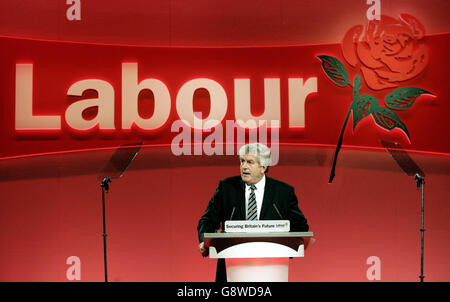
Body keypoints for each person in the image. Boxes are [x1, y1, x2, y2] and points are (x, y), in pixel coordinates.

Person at [197, 142, 309, 282]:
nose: (244, 166)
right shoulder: (227, 188)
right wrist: (204, 241)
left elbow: (300, 227)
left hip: (271, 268)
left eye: (250, 162)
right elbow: (207, 220)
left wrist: (288, 248)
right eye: (242, 161)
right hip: (231, 267)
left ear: (264, 167)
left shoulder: (283, 192)